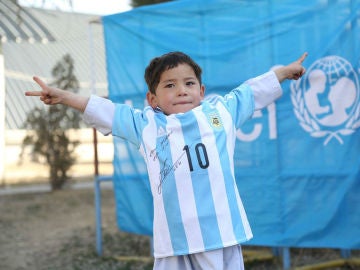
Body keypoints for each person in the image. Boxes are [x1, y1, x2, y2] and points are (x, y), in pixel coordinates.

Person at [26, 51, 307, 270]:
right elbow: (106, 110)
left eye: (189, 83)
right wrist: (63, 97)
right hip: (173, 239)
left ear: (202, 91)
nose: (182, 90)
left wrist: (283, 72)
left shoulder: (220, 113)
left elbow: (251, 91)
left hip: (219, 234)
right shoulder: (145, 125)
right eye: (170, 85)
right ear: (153, 98)